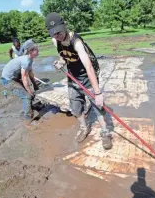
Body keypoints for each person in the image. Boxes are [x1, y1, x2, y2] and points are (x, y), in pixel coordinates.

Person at [45, 12, 112, 150]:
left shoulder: (76, 42)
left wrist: (98, 93)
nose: (58, 35)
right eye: (54, 34)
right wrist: (60, 62)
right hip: (72, 78)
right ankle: (84, 127)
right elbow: (64, 57)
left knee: (98, 107)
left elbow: (88, 66)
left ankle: (105, 132)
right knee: (75, 107)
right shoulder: (55, 41)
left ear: (64, 26)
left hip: (87, 77)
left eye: (59, 31)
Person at [1, 39, 39, 121]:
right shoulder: (25, 60)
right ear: (31, 51)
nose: (38, 50)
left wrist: (35, 85)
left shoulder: (30, 59)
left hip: (14, 78)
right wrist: (30, 91)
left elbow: (30, 73)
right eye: (36, 49)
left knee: (28, 92)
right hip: (7, 80)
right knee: (27, 96)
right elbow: (24, 77)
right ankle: (28, 117)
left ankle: (29, 109)